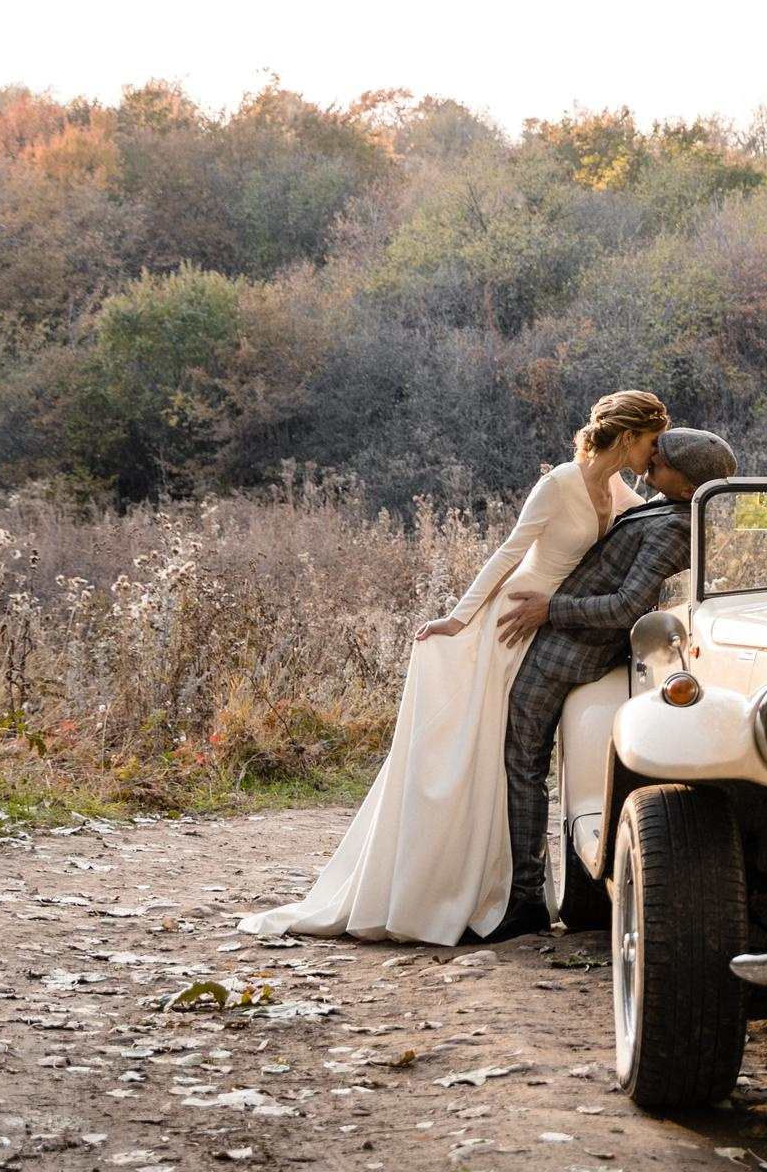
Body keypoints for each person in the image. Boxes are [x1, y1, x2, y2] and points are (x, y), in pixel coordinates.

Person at [239, 391, 672, 944]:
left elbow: (655, 522)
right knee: (480, 754)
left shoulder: (619, 489)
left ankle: (517, 892)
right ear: (631, 436)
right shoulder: (561, 482)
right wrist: (459, 619)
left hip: (552, 625)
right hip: (512, 621)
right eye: (654, 443)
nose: (656, 455)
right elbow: (509, 552)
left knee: (507, 757)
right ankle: (468, 889)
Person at [488, 425, 738, 939]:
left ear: (690, 489)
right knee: (521, 761)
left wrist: (549, 609)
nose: (651, 461)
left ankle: (524, 901)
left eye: (661, 459)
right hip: (560, 639)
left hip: (567, 649)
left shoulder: (674, 527)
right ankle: (523, 893)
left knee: (521, 763)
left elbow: (628, 605)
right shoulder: (663, 505)